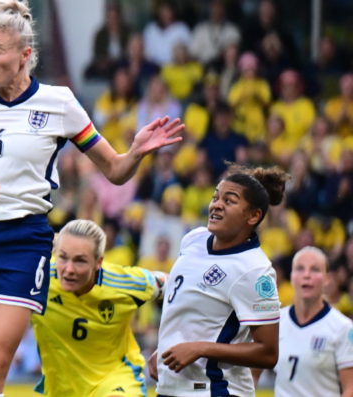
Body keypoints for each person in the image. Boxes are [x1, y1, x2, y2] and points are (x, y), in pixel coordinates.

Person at [0, 0, 183, 397]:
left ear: (25, 54)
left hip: (23, 242)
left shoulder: (59, 103)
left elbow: (115, 171)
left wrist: (135, 152)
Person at [151, 164, 287, 397]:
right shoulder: (194, 239)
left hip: (215, 390)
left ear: (253, 215)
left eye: (229, 201)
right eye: (216, 197)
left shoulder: (254, 269)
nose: (216, 205)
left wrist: (200, 349)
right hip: (171, 387)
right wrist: (166, 346)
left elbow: (268, 353)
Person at [31, 219, 167, 397]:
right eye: (63, 257)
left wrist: (170, 342)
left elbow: (176, 286)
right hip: (60, 388)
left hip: (116, 381)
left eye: (80, 261)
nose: (69, 269)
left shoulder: (122, 282)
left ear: (98, 262)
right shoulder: (37, 280)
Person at [264, 246, 353, 397]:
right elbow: (252, 375)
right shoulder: (275, 322)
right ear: (291, 277)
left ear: (326, 279)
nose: (306, 275)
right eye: (300, 268)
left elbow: (350, 388)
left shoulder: (343, 328)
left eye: (315, 269)